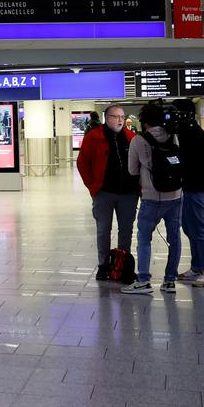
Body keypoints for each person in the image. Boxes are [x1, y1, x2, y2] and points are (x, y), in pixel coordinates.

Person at [125, 102, 183, 294]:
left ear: (144, 122)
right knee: (174, 238)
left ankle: (143, 280)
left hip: (152, 197)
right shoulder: (173, 136)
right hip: (176, 195)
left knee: (144, 238)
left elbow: (132, 170)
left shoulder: (138, 140)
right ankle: (170, 281)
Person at [77, 104, 138, 282]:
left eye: (122, 116)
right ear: (106, 118)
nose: (120, 120)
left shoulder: (131, 138)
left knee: (126, 230)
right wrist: (92, 185)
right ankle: (103, 265)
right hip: (103, 193)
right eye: (115, 116)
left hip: (128, 193)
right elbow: (82, 163)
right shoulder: (93, 138)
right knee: (103, 230)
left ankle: (122, 264)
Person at [172, 101, 204, 287]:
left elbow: (186, 160)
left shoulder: (193, 134)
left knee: (198, 228)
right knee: (189, 227)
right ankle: (197, 267)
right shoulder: (185, 132)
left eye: (175, 113)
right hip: (189, 186)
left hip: (197, 187)